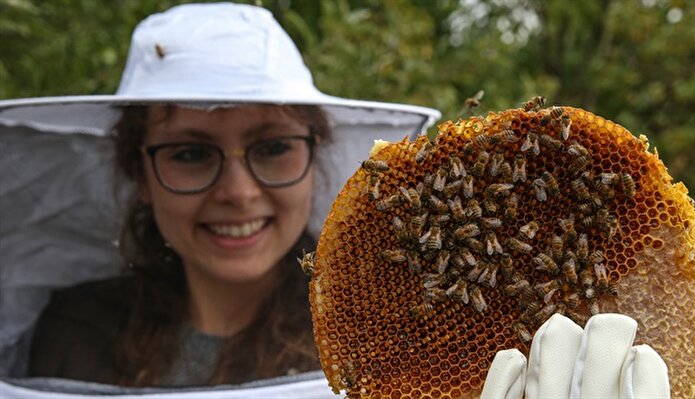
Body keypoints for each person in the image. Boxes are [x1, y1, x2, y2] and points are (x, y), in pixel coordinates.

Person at [4, 3, 439, 387]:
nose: (238, 192)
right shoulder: (74, 328)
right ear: (139, 175)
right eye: (191, 153)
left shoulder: (383, 332)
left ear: (314, 158)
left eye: (272, 148)